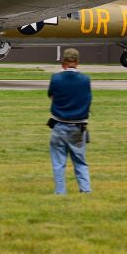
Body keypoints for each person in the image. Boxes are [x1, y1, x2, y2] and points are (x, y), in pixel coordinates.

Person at [47, 47, 92, 194]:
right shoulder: (85, 80)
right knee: (80, 162)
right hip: (78, 127)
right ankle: (85, 190)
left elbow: (52, 97)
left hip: (59, 125)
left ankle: (60, 192)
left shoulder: (56, 78)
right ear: (77, 62)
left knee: (58, 163)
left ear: (63, 62)